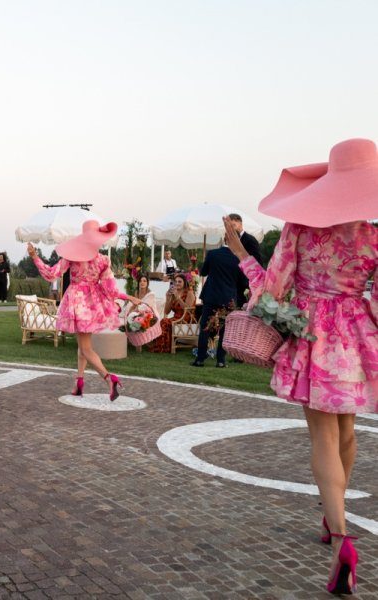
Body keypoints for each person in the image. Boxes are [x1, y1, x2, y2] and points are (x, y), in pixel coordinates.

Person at [223, 138, 378, 596]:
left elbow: (271, 294)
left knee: (324, 437)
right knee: (346, 433)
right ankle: (334, 523)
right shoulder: (374, 237)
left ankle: (342, 539)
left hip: (313, 336)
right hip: (358, 340)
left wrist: (244, 258)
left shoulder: (299, 228)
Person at [28, 221, 140, 400]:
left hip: (77, 305)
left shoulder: (72, 257)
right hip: (93, 306)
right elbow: (111, 289)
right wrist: (128, 297)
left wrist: (35, 256)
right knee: (83, 346)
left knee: (86, 348)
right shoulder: (103, 260)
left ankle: (109, 378)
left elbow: (51, 274)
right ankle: (79, 382)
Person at [191, 239, 239, 368]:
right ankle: (221, 360)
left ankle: (200, 359)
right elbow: (242, 281)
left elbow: (204, 272)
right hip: (228, 298)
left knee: (205, 327)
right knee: (224, 329)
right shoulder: (238, 258)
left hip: (212, 295)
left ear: (223, 239)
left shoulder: (212, 254)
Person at [150, 273, 196, 353]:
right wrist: (168, 299)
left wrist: (178, 297)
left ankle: (164, 347)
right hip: (176, 318)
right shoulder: (174, 294)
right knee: (162, 321)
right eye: (176, 282)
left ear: (184, 283)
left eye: (180, 281)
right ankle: (162, 346)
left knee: (165, 322)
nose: (177, 283)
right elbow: (167, 311)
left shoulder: (189, 293)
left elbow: (187, 309)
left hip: (186, 319)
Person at [226, 213, 263, 304]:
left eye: (233, 225)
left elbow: (258, 262)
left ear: (240, 223)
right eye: (229, 227)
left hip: (246, 284)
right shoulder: (230, 241)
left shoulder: (249, 240)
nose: (231, 228)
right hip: (235, 284)